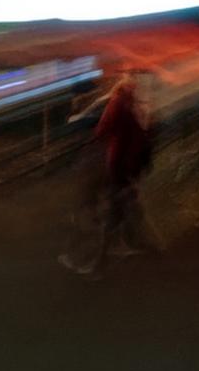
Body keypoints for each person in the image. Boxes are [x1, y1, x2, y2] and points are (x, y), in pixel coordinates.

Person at [60, 72, 156, 276]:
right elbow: (138, 137)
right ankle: (128, 247)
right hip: (126, 166)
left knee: (113, 212)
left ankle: (100, 262)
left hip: (119, 166)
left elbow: (103, 130)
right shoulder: (129, 108)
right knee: (120, 210)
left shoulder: (117, 105)